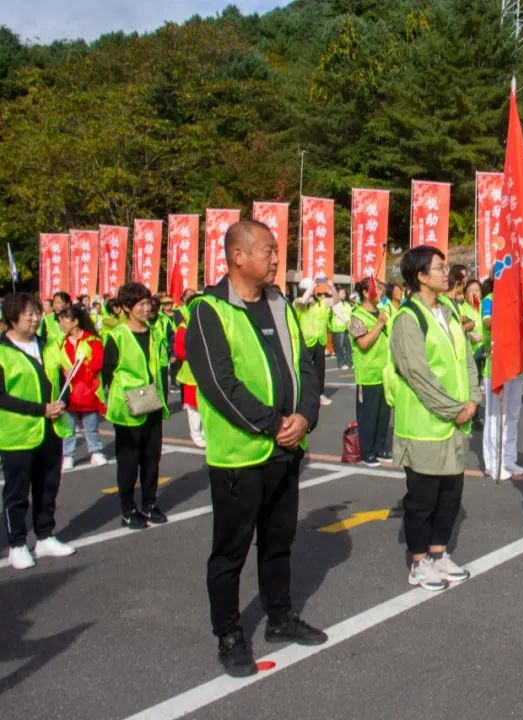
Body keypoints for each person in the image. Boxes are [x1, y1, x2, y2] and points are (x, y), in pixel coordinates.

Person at [186, 220, 325, 677]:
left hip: (286, 449)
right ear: (237, 256)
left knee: (279, 541)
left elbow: (305, 363)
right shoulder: (210, 311)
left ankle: (280, 616)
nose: (275, 257)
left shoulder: (280, 303)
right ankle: (228, 633)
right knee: (230, 552)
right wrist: (273, 425)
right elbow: (219, 384)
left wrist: (304, 416)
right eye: (267, 250)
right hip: (240, 456)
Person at [388, 246, 481, 591]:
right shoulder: (407, 319)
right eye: (439, 268)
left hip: (457, 421)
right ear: (421, 277)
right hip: (426, 426)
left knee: (450, 494)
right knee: (422, 499)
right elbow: (417, 373)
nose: (448, 273)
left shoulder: (450, 312)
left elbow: (467, 359)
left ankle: (439, 552)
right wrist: (452, 408)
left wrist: (473, 397)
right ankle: (418, 560)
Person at [1, 293, 75, 569]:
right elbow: (2, 397)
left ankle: (44, 535)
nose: (34, 319)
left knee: (47, 487)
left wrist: (63, 401)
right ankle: (17, 543)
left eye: (36, 313)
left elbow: (62, 378)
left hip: (50, 429)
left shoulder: (46, 344)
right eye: (28, 314)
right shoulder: (2, 351)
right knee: (17, 492)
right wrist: (40, 409)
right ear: (11, 318)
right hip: (18, 433)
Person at [103, 282, 169, 530]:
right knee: (129, 460)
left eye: (147, 302)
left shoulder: (153, 331)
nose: (146, 307)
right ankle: (128, 509)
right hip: (128, 407)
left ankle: (149, 504)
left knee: (152, 458)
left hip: (152, 401)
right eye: (140, 304)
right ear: (127, 308)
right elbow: (107, 371)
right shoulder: (117, 336)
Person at [480, 279, 523, 480]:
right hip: (496, 368)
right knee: (494, 418)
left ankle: (508, 458)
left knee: (512, 415)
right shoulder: (489, 300)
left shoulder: (517, 301)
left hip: (515, 366)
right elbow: (487, 322)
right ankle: (493, 463)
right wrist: (508, 315)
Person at [56, 305, 107, 469]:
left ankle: (96, 451)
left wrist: (82, 369)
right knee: (68, 427)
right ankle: (68, 455)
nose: (61, 323)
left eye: (64, 319)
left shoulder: (92, 340)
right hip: (69, 390)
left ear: (75, 321)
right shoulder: (61, 342)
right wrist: (64, 371)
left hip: (88, 389)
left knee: (91, 425)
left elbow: (97, 363)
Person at [349, 278, 393, 467]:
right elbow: (364, 344)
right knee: (368, 416)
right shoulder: (356, 316)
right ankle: (367, 452)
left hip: (385, 373)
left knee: (384, 414)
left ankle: (380, 448)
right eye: (377, 289)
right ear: (366, 293)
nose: (381, 293)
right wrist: (379, 324)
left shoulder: (383, 312)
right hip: (368, 375)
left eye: (382, 289)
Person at [173, 298, 206, 448]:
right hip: (191, 373)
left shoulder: (206, 323)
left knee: (207, 403)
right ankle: (196, 434)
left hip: (206, 371)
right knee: (193, 406)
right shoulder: (184, 326)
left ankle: (206, 432)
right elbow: (180, 351)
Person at [295, 279, 334, 406]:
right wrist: (311, 287)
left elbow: (336, 300)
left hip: (320, 340)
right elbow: (303, 302)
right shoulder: (298, 303)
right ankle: (302, 395)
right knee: (304, 369)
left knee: (320, 370)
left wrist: (331, 286)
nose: (312, 293)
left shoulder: (321, 303)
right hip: (306, 341)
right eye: (308, 290)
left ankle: (319, 394)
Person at [330, 288, 353, 371]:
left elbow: (350, 314)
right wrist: (346, 320)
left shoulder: (347, 304)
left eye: (344, 293)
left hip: (347, 327)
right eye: (342, 293)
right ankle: (341, 363)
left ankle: (349, 363)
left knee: (349, 346)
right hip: (338, 328)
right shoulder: (335, 303)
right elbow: (339, 313)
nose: (344, 294)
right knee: (339, 347)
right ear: (338, 294)